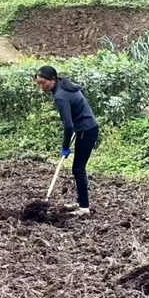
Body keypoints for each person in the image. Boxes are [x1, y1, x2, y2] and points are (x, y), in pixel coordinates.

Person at [35, 65, 99, 216]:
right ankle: (80, 202)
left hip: (87, 130)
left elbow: (68, 125)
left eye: (43, 83)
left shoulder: (60, 96)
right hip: (85, 127)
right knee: (77, 168)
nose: (41, 86)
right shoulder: (64, 84)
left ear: (53, 80)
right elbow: (81, 91)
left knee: (78, 169)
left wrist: (65, 146)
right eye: (38, 83)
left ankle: (84, 208)